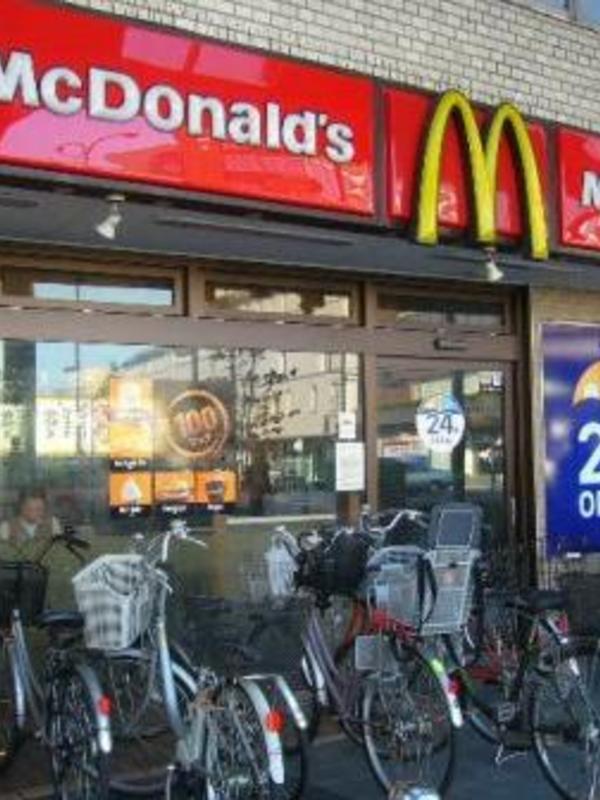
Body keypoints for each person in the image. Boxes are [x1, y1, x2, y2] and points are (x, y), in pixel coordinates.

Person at [0, 487, 61, 560]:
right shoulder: (7, 527)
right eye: (35, 509)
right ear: (22, 507)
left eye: (41, 509)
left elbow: (59, 551)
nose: (40, 513)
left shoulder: (53, 524)